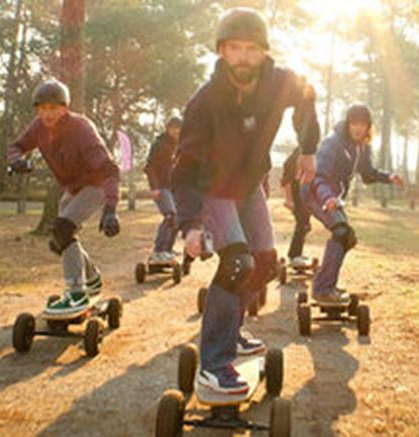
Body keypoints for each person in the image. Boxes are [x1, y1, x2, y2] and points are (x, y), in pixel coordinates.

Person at [173, 7, 320, 395]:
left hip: (249, 184)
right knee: (237, 262)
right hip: (214, 189)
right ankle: (214, 364)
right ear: (221, 51)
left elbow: (307, 94)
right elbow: (184, 169)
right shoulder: (203, 103)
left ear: (263, 52)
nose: (243, 57)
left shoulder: (279, 81)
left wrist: (308, 147)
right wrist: (190, 224)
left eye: (251, 49)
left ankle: (232, 331)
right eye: (234, 48)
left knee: (265, 263)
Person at [6, 79, 121, 318]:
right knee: (60, 238)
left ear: (64, 108)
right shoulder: (38, 127)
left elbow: (109, 169)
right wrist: (16, 160)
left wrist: (111, 207)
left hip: (96, 184)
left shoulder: (81, 128)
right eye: (42, 109)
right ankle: (92, 278)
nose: (47, 114)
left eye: (53, 108)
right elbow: (17, 146)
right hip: (72, 188)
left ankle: (76, 292)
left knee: (62, 229)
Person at [301, 104, 403, 303]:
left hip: (332, 198)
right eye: (354, 124)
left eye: (362, 124)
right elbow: (319, 177)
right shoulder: (333, 144)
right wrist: (327, 198)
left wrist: (389, 177)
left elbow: (368, 174)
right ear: (348, 124)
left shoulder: (361, 148)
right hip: (315, 193)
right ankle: (322, 289)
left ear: (368, 127)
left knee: (348, 238)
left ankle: (325, 283)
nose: (357, 128)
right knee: (341, 232)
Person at [144, 116, 183, 263]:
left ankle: (167, 249)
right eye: (173, 128)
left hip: (174, 188)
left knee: (177, 219)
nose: (176, 131)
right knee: (170, 215)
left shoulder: (179, 146)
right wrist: (154, 187)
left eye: (179, 129)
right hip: (161, 187)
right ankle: (158, 251)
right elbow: (150, 167)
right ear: (168, 129)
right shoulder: (159, 144)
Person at [281, 148, 312, 267]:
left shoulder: (309, 153)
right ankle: (294, 255)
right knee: (302, 224)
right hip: (296, 197)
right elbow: (287, 180)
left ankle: (296, 254)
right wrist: (288, 200)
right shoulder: (296, 156)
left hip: (304, 197)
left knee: (305, 225)